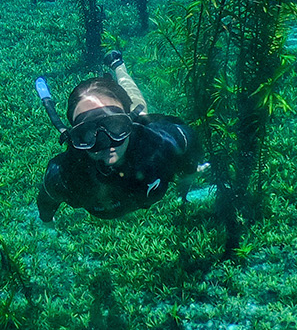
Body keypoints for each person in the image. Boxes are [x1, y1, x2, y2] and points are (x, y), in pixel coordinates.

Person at [37, 50, 206, 223]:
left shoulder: (159, 143)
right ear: (76, 136)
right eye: (88, 133)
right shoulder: (65, 174)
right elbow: (46, 200)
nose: (105, 142)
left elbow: (191, 142)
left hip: (139, 128)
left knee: (140, 110)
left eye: (115, 126)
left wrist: (189, 171)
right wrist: (47, 221)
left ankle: (118, 66)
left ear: (128, 123)